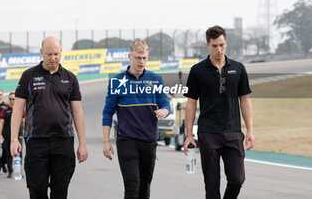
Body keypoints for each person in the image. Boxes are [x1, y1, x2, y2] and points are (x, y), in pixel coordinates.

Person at [10, 36, 88, 199]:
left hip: (63, 141)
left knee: (60, 190)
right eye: (49, 54)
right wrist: (13, 139)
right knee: (37, 189)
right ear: (41, 53)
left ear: (61, 53)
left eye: (56, 54)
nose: (53, 58)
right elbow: (17, 109)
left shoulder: (70, 78)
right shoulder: (28, 76)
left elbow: (78, 112)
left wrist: (82, 144)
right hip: (36, 141)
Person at [183, 25, 255, 199]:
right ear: (207, 45)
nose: (219, 49)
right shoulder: (197, 70)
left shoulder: (238, 68)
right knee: (212, 185)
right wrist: (189, 134)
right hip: (208, 133)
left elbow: (244, 99)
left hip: (233, 132)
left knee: (237, 179)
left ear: (226, 43)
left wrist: (250, 130)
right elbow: (191, 103)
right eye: (215, 45)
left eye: (222, 45)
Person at [102, 39, 170, 199]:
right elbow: (107, 112)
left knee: (144, 188)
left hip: (149, 140)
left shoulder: (155, 79)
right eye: (137, 58)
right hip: (127, 141)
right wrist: (106, 141)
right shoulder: (117, 81)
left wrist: (165, 111)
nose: (141, 61)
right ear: (129, 57)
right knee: (132, 186)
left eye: (144, 58)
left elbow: (165, 103)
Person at [0, 92, 25, 178]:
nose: (11, 100)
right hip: (7, 135)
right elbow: (1, 122)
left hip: (19, 135)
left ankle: (19, 171)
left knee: (19, 154)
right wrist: (0, 134)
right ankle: (10, 170)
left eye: (13, 99)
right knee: (8, 154)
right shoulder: (5, 110)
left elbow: (24, 122)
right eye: (10, 99)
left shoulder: (21, 110)